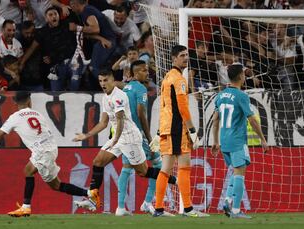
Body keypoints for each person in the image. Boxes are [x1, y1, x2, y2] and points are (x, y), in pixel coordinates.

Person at [0, 92, 97, 217]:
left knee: (54, 184)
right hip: (50, 148)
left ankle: (89, 193)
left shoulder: (14, 117)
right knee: (29, 171)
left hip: (42, 152)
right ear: (29, 101)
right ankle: (27, 206)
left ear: (15, 103)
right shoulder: (37, 114)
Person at [72, 70, 176, 212]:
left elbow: (120, 119)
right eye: (101, 81)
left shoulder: (118, 96)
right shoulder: (105, 98)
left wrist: (115, 139)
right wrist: (86, 135)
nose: (103, 84)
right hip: (118, 138)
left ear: (113, 80)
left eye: (106, 80)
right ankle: (93, 200)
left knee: (143, 172)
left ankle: (174, 180)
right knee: (98, 162)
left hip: (129, 138)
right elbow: (103, 123)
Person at [150, 45, 208, 217]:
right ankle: (187, 209)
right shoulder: (179, 80)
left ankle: (159, 208)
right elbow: (182, 107)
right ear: (174, 58)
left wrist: (160, 131)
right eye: (182, 55)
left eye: (187, 55)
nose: (186, 58)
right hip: (177, 128)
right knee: (182, 167)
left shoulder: (167, 77)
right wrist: (192, 130)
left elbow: (165, 106)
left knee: (167, 168)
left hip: (168, 127)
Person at [211, 63, 268, 219]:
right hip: (237, 141)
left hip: (224, 141)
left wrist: (215, 141)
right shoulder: (241, 96)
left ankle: (229, 204)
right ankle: (233, 207)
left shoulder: (220, 95)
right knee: (240, 175)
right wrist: (262, 139)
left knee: (235, 173)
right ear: (241, 76)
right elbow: (252, 120)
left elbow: (215, 120)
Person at [115, 60, 162, 216]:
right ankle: (148, 202)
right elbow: (141, 112)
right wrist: (149, 137)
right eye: (143, 70)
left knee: (127, 168)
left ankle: (120, 207)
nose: (147, 73)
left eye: (147, 70)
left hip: (126, 134)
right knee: (158, 165)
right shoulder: (140, 88)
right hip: (138, 134)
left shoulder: (126, 87)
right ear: (135, 73)